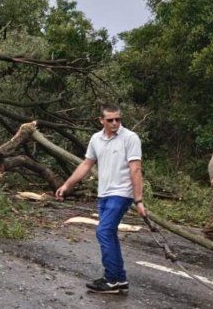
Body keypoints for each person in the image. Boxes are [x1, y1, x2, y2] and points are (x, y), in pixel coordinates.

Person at [55, 103, 146, 294]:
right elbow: (86, 164)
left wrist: (138, 200)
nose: (115, 123)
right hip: (103, 193)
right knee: (109, 233)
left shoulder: (130, 138)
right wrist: (67, 185)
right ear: (101, 120)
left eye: (118, 119)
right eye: (110, 120)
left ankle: (111, 279)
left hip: (121, 193)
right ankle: (119, 279)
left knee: (103, 232)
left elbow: (135, 169)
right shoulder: (96, 139)